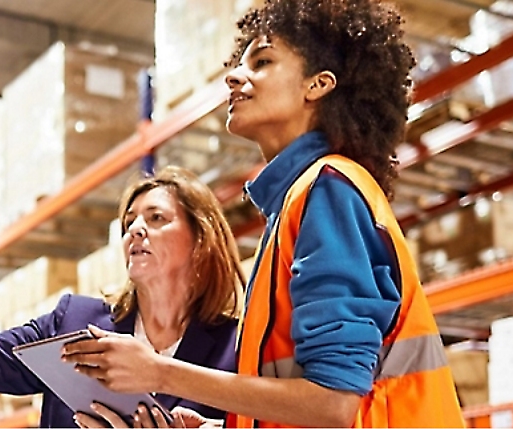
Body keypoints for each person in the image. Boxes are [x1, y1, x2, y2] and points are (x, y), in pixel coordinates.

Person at [62, 0, 465, 427]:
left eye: (263, 61)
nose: (235, 76)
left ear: (318, 84)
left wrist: (160, 372)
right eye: (239, 63)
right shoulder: (298, 204)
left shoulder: (327, 191)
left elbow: (333, 405)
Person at [0, 165, 245, 428]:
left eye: (156, 218)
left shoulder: (236, 349)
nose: (136, 230)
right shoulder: (76, 324)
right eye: (129, 222)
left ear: (201, 240)